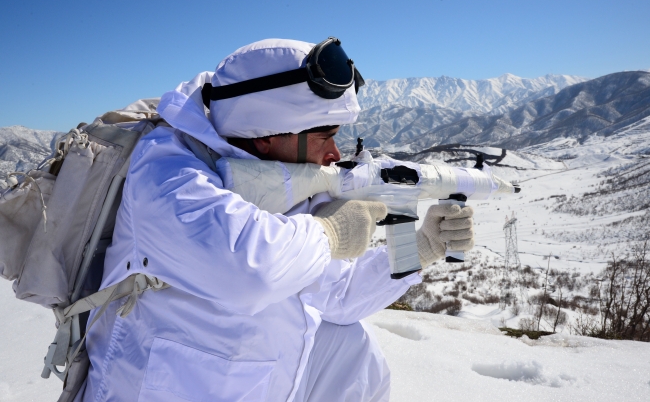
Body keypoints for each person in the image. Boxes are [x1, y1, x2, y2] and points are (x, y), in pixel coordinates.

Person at [76, 38, 474, 402]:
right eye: (325, 137)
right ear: (266, 134)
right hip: (160, 386)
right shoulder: (166, 174)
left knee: (351, 348)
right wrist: (331, 231)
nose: (335, 154)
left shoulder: (279, 170)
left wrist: (421, 248)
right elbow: (249, 270)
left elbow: (338, 298)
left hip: (248, 377)